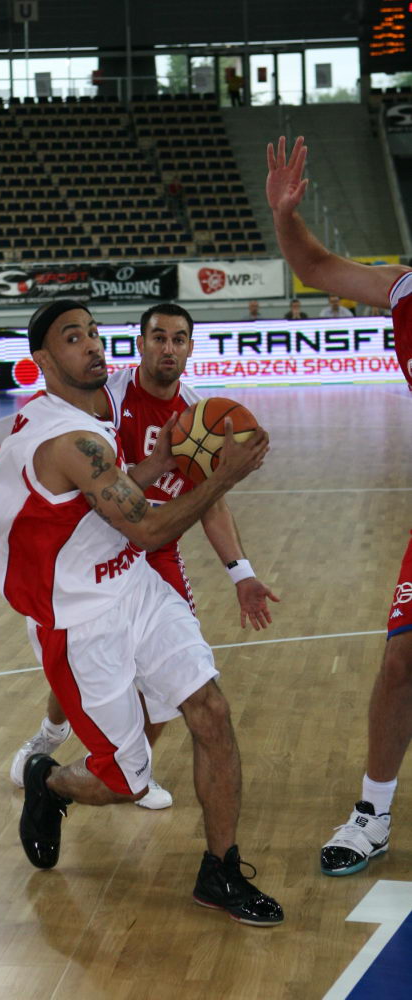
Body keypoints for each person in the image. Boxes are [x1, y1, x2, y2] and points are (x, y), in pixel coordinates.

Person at [0, 298, 283, 925]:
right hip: (78, 617)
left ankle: (221, 870)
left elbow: (122, 495)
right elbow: (146, 528)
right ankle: (48, 781)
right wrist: (223, 474)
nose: (93, 344)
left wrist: (172, 460)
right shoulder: (68, 436)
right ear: (43, 361)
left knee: (211, 709)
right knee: (126, 783)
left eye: (94, 332)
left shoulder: (98, 408)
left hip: (134, 583)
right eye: (73, 338)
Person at [266, 135, 412, 876]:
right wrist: (286, 218)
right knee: (400, 663)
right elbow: (317, 268)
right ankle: (372, 815)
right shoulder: (404, 291)